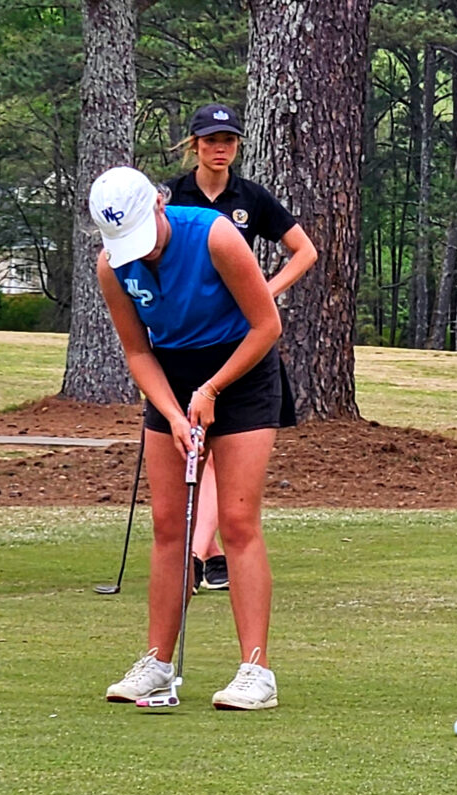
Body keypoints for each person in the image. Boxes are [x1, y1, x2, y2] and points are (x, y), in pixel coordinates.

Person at [91, 165, 284, 709]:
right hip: (171, 378)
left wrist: (213, 389)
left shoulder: (214, 234)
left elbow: (267, 324)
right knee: (168, 523)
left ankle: (256, 671)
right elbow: (137, 350)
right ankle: (157, 660)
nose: (140, 252)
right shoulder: (113, 265)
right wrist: (174, 413)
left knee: (239, 522)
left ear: (159, 202)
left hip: (240, 369)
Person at [164, 103, 317, 594]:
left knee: (221, 445)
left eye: (228, 140)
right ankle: (204, 554)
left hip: (238, 341)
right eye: (211, 140)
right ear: (194, 145)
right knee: (195, 448)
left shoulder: (250, 196)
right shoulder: (170, 195)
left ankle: (200, 553)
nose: (220, 148)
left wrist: (265, 292)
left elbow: (305, 250)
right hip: (186, 338)